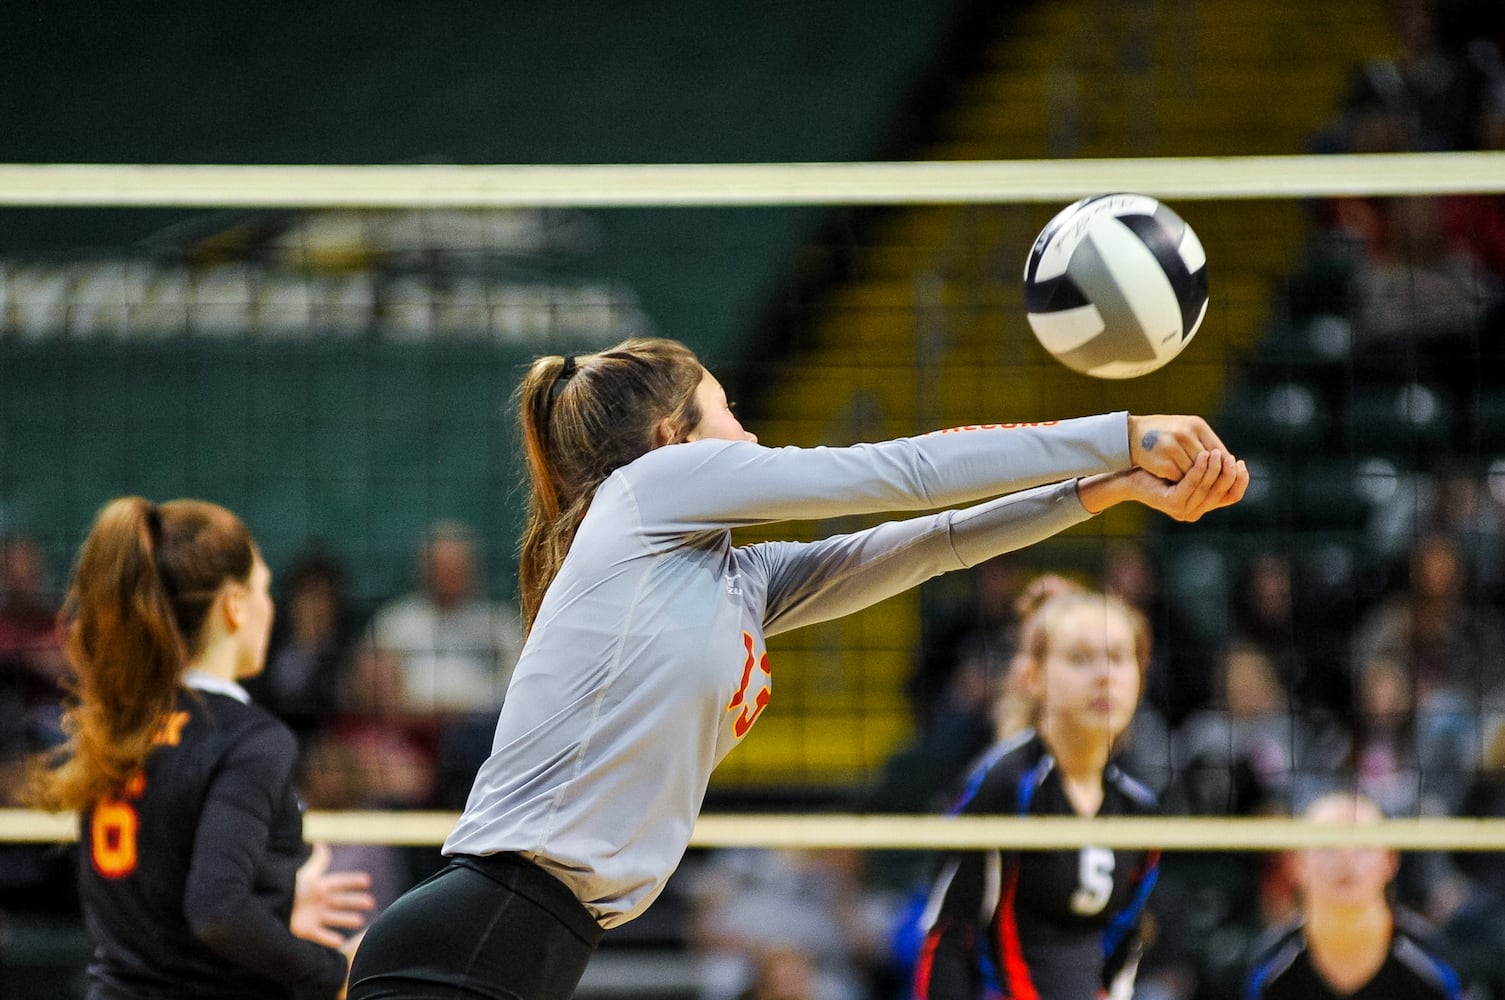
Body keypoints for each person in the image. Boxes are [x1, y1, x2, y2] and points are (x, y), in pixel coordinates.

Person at [347, 336, 1247, 1000]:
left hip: (531, 939)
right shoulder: (646, 492)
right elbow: (904, 473)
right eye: (728, 409)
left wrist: (1102, 490)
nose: (746, 431)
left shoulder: (728, 577)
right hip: (477, 931)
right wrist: (1121, 432)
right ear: (673, 437)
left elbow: (931, 541)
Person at [25, 497, 375, 999]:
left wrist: (275, 908)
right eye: (263, 588)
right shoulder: (249, 737)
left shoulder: (121, 724)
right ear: (234, 606)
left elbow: (163, 894)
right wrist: (331, 971)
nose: (269, 605)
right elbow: (217, 910)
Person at [910, 585, 1162, 1000]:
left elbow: (1123, 941)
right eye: (1081, 659)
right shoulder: (1006, 786)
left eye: (1119, 658)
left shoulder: (1138, 808)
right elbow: (949, 938)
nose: (1105, 676)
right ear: (1033, 676)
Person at [1245, 792, 1473, 1000]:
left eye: (1363, 847)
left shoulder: (1434, 964)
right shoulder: (1267, 969)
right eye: (1328, 846)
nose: (1346, 860)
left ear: (1390, 861)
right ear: (1297, 863)